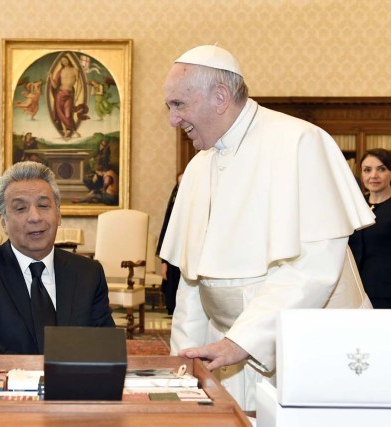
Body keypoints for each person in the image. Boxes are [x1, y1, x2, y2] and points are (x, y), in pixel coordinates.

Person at [160, 45, 375, 410]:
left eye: (179, 104)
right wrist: (185, 365)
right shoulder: (198, 168)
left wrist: (242, 341)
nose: (173, 120)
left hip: (310, 344)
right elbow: (193, 287)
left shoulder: (300, 142)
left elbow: (313, 270)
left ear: (220, 96)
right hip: (228, 346)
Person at [0, 161, 115, 354]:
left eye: (43, 205)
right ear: (3, 221)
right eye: (20, 208)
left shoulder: (89, 273)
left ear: (58, 214)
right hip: (9, 383)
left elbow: (104, 347)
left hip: (76, 383)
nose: (35, 217)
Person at [348, 148, 391, 308]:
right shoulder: (355, 206)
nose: (373, 175)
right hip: (356, 292)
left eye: (381, 169)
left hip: (386, 293)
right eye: (367, 170)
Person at [156, 172, 183, 316]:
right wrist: (164, 262)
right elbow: (166, 230)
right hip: (174, 254)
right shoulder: (174, 203)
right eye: (180, 183)